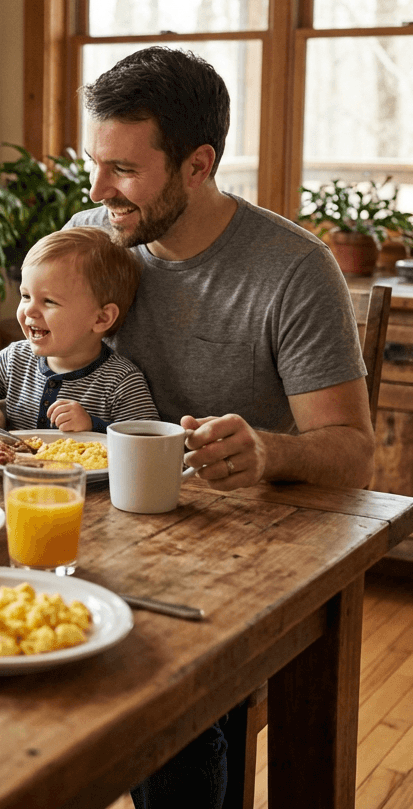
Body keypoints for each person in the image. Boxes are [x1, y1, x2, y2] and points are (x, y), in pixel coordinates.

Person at [68, 46, 373, 807]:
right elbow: (38, 364)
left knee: (170, 707)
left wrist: (267, 451)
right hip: (100, 539)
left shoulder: (293, 269)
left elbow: (356, 455)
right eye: (93, 164)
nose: (99, 191)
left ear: (198, 164)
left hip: (233, 566)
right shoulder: (93, 240)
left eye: (123, 171)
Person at [0, 228, 157, 433]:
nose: (29, 310)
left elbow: (146, 444)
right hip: (12, 477)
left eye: (49, 301)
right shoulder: (14, 358)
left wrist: (92, 425)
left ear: (101, 318)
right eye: (26, 296)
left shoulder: (122, 382)